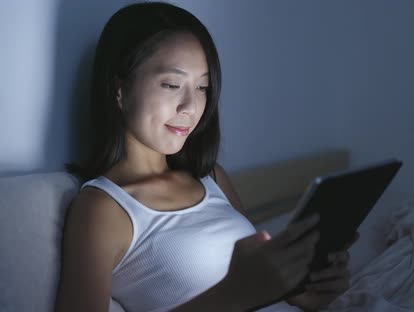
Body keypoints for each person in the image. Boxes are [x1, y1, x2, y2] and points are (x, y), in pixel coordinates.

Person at [55, 2, 359, 311]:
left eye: (202, 87)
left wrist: (307, 289)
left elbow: (273, 290)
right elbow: (243, 289)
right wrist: (234, 291)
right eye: (172, 84)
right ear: (119, 89)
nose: (191, 107)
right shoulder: (102, 208)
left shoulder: (211, 176)